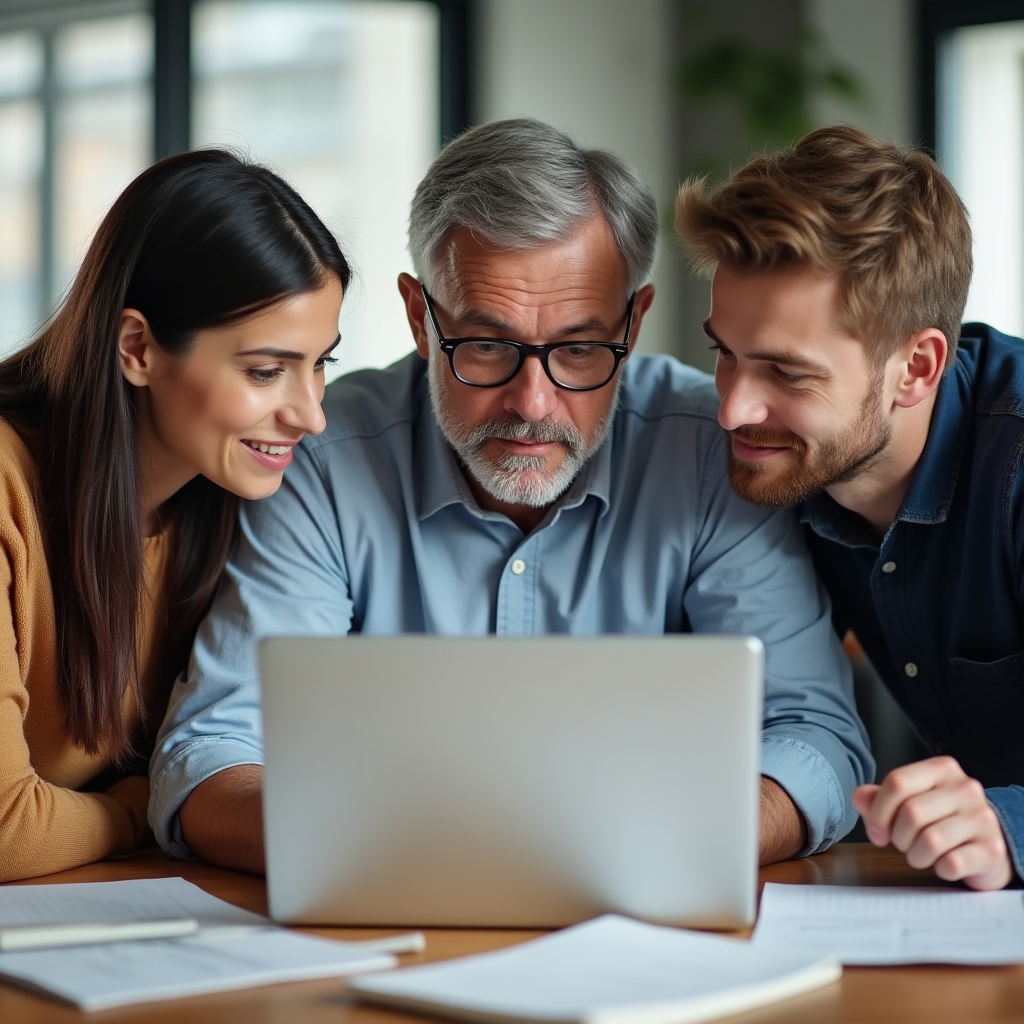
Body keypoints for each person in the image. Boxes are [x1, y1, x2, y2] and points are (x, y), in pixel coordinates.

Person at [149, 117, 872, 875]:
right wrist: (403, 856)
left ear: (635, 320)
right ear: (420, 319)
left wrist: (676, 844)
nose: (532, 403)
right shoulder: (322, 460)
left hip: (644, 905)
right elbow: (212, 749)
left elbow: (814, 735)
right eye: (488, 346)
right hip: (383, 916)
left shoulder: (706, 452)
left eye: (579, 348)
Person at [676, 124, 1023, 891]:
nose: (733, 410)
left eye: (786, 374)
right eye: (724, 354)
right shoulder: (780, 473)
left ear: (917, 366)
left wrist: (1007, 827)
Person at [0, 149, 349, 881]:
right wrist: (145, 806)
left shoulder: (226, 505)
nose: (311, 415)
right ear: (138, 349)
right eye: (265, 371)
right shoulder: (8, 486)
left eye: (322, 363)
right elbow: (9, 828)